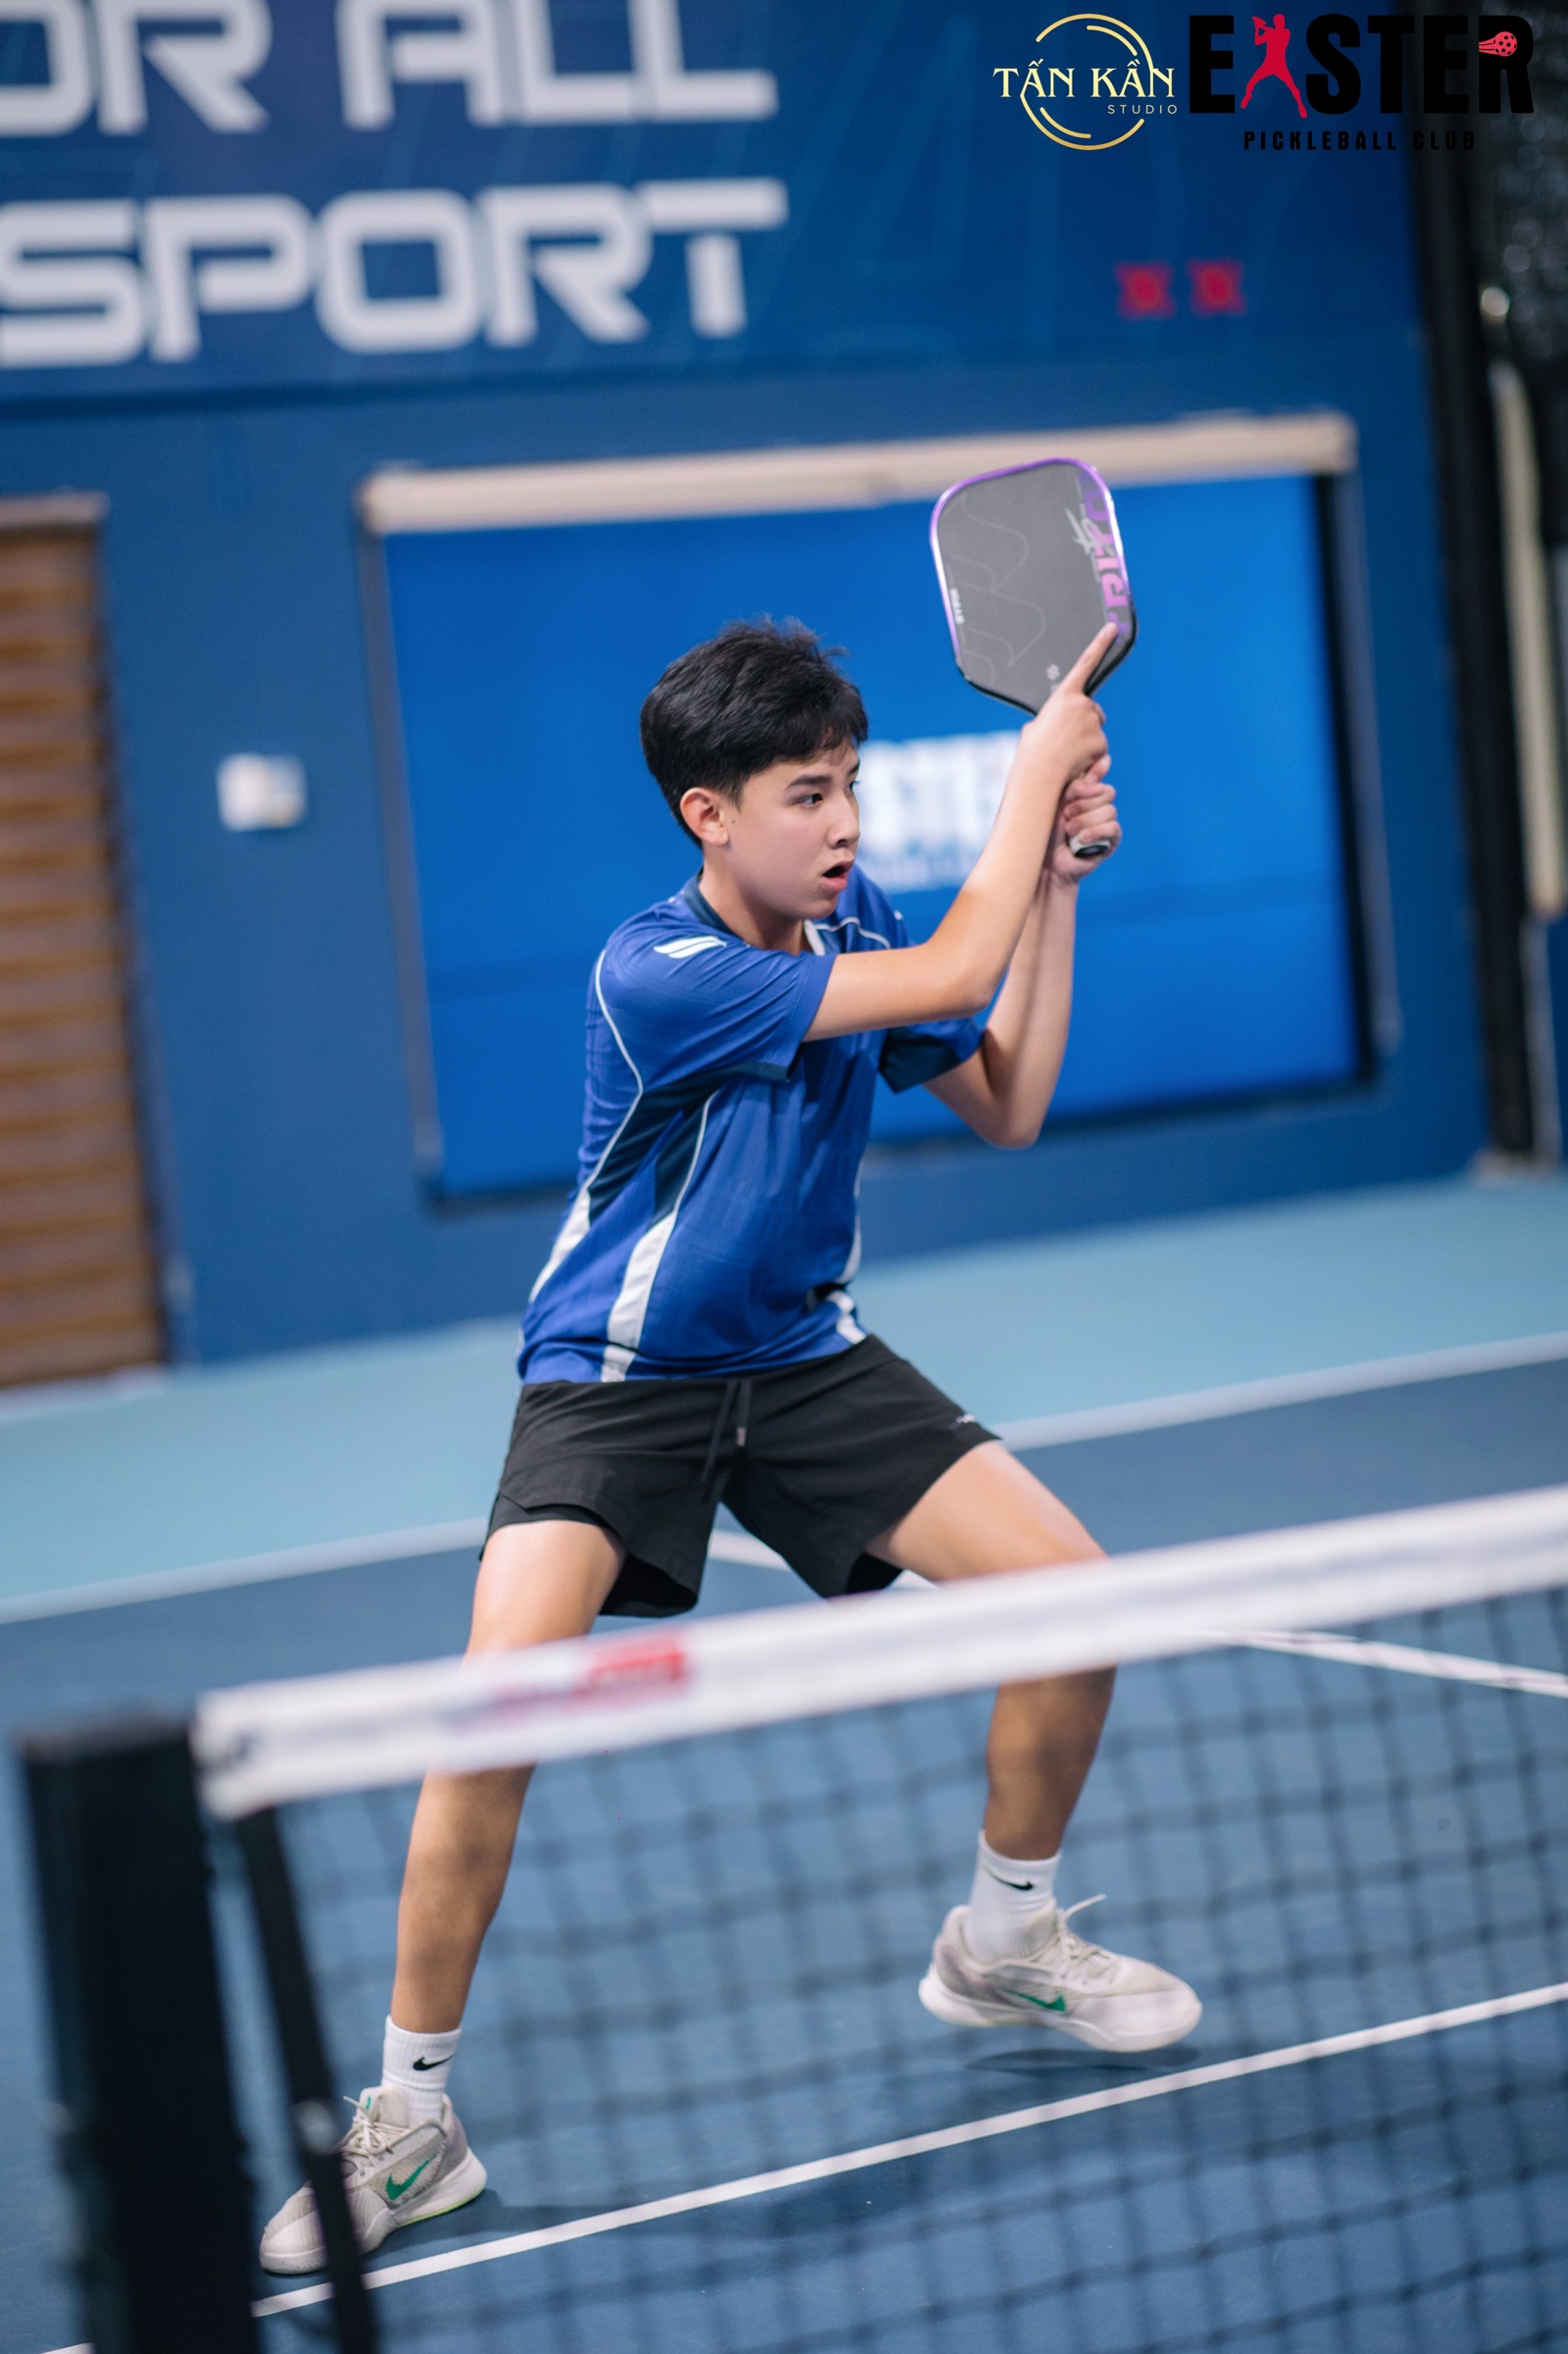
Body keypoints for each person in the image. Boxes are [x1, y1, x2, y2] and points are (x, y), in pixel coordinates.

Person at [260, 617, 1200, 2276]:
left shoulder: (865, 916)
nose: (843, 823)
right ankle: (411, 2121)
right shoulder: (660, 971)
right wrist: (1032, 778)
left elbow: (1007, 1099)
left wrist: (1053, 883)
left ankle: (1004, 1938)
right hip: (615, 1382)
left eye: (848, 786)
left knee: (1079, 1599)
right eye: (805, 795)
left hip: (803, 1359)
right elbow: (950, 980)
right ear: (709, 815)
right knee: (494, 1713)